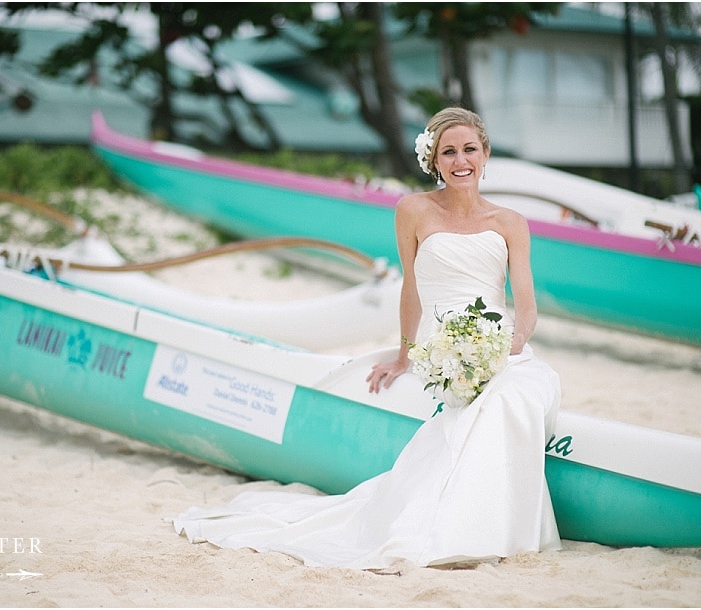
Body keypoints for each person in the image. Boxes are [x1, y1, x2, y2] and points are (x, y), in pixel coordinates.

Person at [171, 107, 562, 569]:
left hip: (501, 348)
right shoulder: (413, 210)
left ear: (486, 154)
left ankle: (496, 531)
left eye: (469, 150)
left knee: (517, 397)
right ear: (434, 160)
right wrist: (404, 356)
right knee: (487, 409)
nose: (460, 161)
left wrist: (510, 344)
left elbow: (528, 304)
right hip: (447, 351)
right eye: (448, 151)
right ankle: (460, 532)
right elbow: (411, 289)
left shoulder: (510, 221)